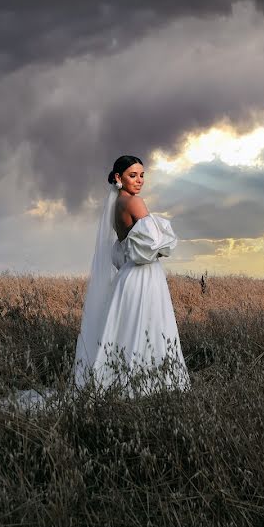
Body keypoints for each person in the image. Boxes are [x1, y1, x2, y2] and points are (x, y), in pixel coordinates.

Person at [73, 155, 190, 393]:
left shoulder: (116, 205)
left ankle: (123, 382)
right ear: (118, 177)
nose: (139, 181)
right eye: (132, 175)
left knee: (129, 328)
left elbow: (125, 245)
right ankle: (150, 386)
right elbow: (154, 243)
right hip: (144, 275)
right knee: (151, 327)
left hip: (128, 277)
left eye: (142, 175)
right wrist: (163, 246)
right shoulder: (134, 202)